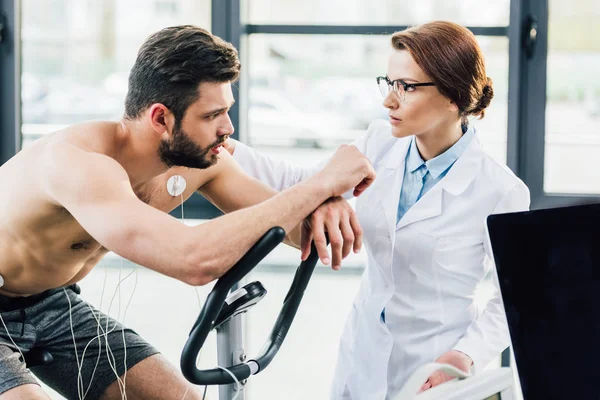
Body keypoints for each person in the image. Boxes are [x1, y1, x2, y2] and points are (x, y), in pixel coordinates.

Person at [0, 25, 375, 400]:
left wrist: (327, 201)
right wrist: (319, 185)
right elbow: (193, 259)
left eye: (227, 110)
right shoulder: (78, 163)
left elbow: (298, 231)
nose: (228, 128)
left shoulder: (200, 161)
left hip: (53, 301)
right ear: (161, 118)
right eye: (213, 115)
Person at [226, 21, 530, 399]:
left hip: (435, 369)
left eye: (407, 87)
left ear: (453, 96)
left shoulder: (501, 191)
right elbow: (302, 181)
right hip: (363, 354)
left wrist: (466, 355)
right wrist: (224, 147)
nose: (389, 100)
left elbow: (513, 298)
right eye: (389, 83)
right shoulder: (379, 142)